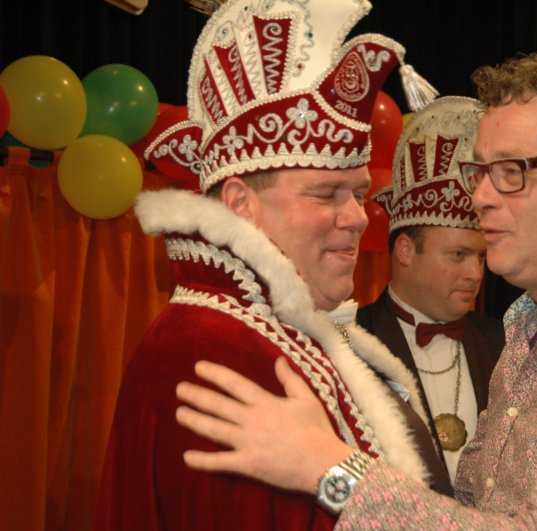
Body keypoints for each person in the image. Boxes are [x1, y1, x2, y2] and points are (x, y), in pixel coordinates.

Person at [172, 46, 537, 528]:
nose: (479, 196)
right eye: (479, 171)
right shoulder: (532, 328)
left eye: (512, 171)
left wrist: (334, 470)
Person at [93, 0, 451, 529]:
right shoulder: (216, 349)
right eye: (326, 194)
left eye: (358, 194)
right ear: (241, 204)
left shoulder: (272, 332)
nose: (358, 217)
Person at [357, 96, 504, 483]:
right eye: (458, 255)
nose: (475, 273)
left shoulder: (506, 345)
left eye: (481, 257)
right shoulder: (349, 343)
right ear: (406, 251)